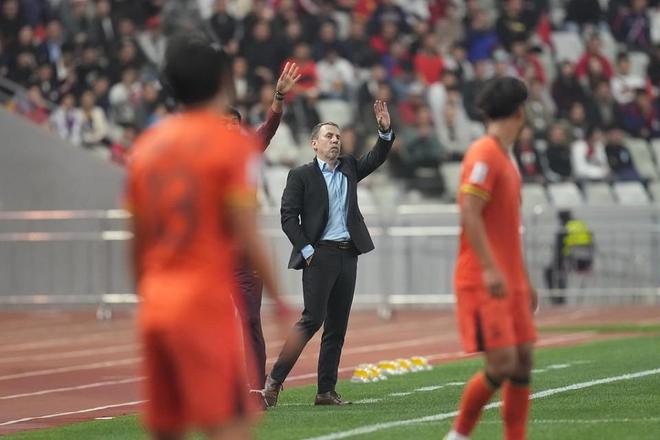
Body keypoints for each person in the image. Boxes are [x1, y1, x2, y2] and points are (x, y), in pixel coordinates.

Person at [126, 34, 289, 440]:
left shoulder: (146, 148)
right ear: (221, 83)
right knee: (227, 425)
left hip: (159, 299)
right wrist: (280, 298)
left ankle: (254, 386)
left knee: (167, 427)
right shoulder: (229, 150)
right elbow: (245, 230)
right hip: (204, 293)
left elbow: (137, 239)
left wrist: (145, 293)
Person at [261, 100, 395, 407]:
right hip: (319, 254)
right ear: (314, 144)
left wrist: (385, 131)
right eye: (329, 136)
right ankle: (274, 382)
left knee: (337, 327)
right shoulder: (300, 175)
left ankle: (325, 391)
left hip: (348, 254)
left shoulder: (349, 167)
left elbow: (377, 156)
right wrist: (308, 250)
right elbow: (288, 218)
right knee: (311, 320)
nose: (335, 140)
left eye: (337, 136)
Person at [446, 77, 537, 440]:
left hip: (510, 279)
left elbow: (509, 229)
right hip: (485, 278)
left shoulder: (504, 157)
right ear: (519, 113)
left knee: (524, 359)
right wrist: (488, 267)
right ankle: (459, 434)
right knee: (502, 363)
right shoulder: (484, 153)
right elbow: (470, 212)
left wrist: (524, 279)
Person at [226, 61, 302, 394]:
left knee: (250, 320)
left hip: (244, 254)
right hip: (211, 254)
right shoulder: (199, 161)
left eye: (233, 125)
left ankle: (256, 388)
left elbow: (269, 128)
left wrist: (278, 97)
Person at [544, 210, 595, 304]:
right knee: (559, 267)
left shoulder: (564, 229)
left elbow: (559, 249)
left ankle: (558, 299)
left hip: (572, 262)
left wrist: (556, 260)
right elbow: (592, 244)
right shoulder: (581, 225)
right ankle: (560, 298)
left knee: (552, 270)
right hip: (586, 263)